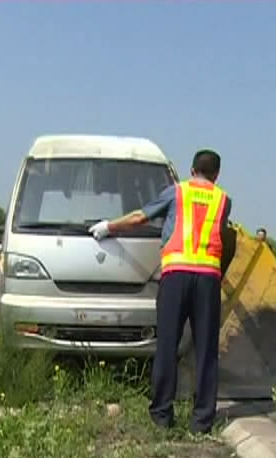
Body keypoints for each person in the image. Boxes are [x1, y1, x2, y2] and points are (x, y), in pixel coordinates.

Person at [89, 150, 232, 435]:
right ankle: (202, 421)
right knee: (206, 350)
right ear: (217, 175)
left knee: (167, 343)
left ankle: (162, 415)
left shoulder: (176, 193)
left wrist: (108, 227)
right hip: (207, 279)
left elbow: (141, 217)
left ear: (192, 170)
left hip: (176, 274)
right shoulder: (224, 200)